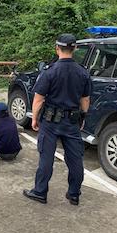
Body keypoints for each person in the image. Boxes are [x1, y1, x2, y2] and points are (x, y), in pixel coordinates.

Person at [23, 34, 92, 206]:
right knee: (75, 159)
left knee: (46, 157)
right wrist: (82, 116)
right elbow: (85, 100)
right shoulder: (82, 73)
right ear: (75, 49)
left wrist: (34, 120)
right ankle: (74, 194)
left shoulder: (50, 71)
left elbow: (38, 99)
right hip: (71, 122)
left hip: (50, 122)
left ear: (57, 48)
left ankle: (40, 192)